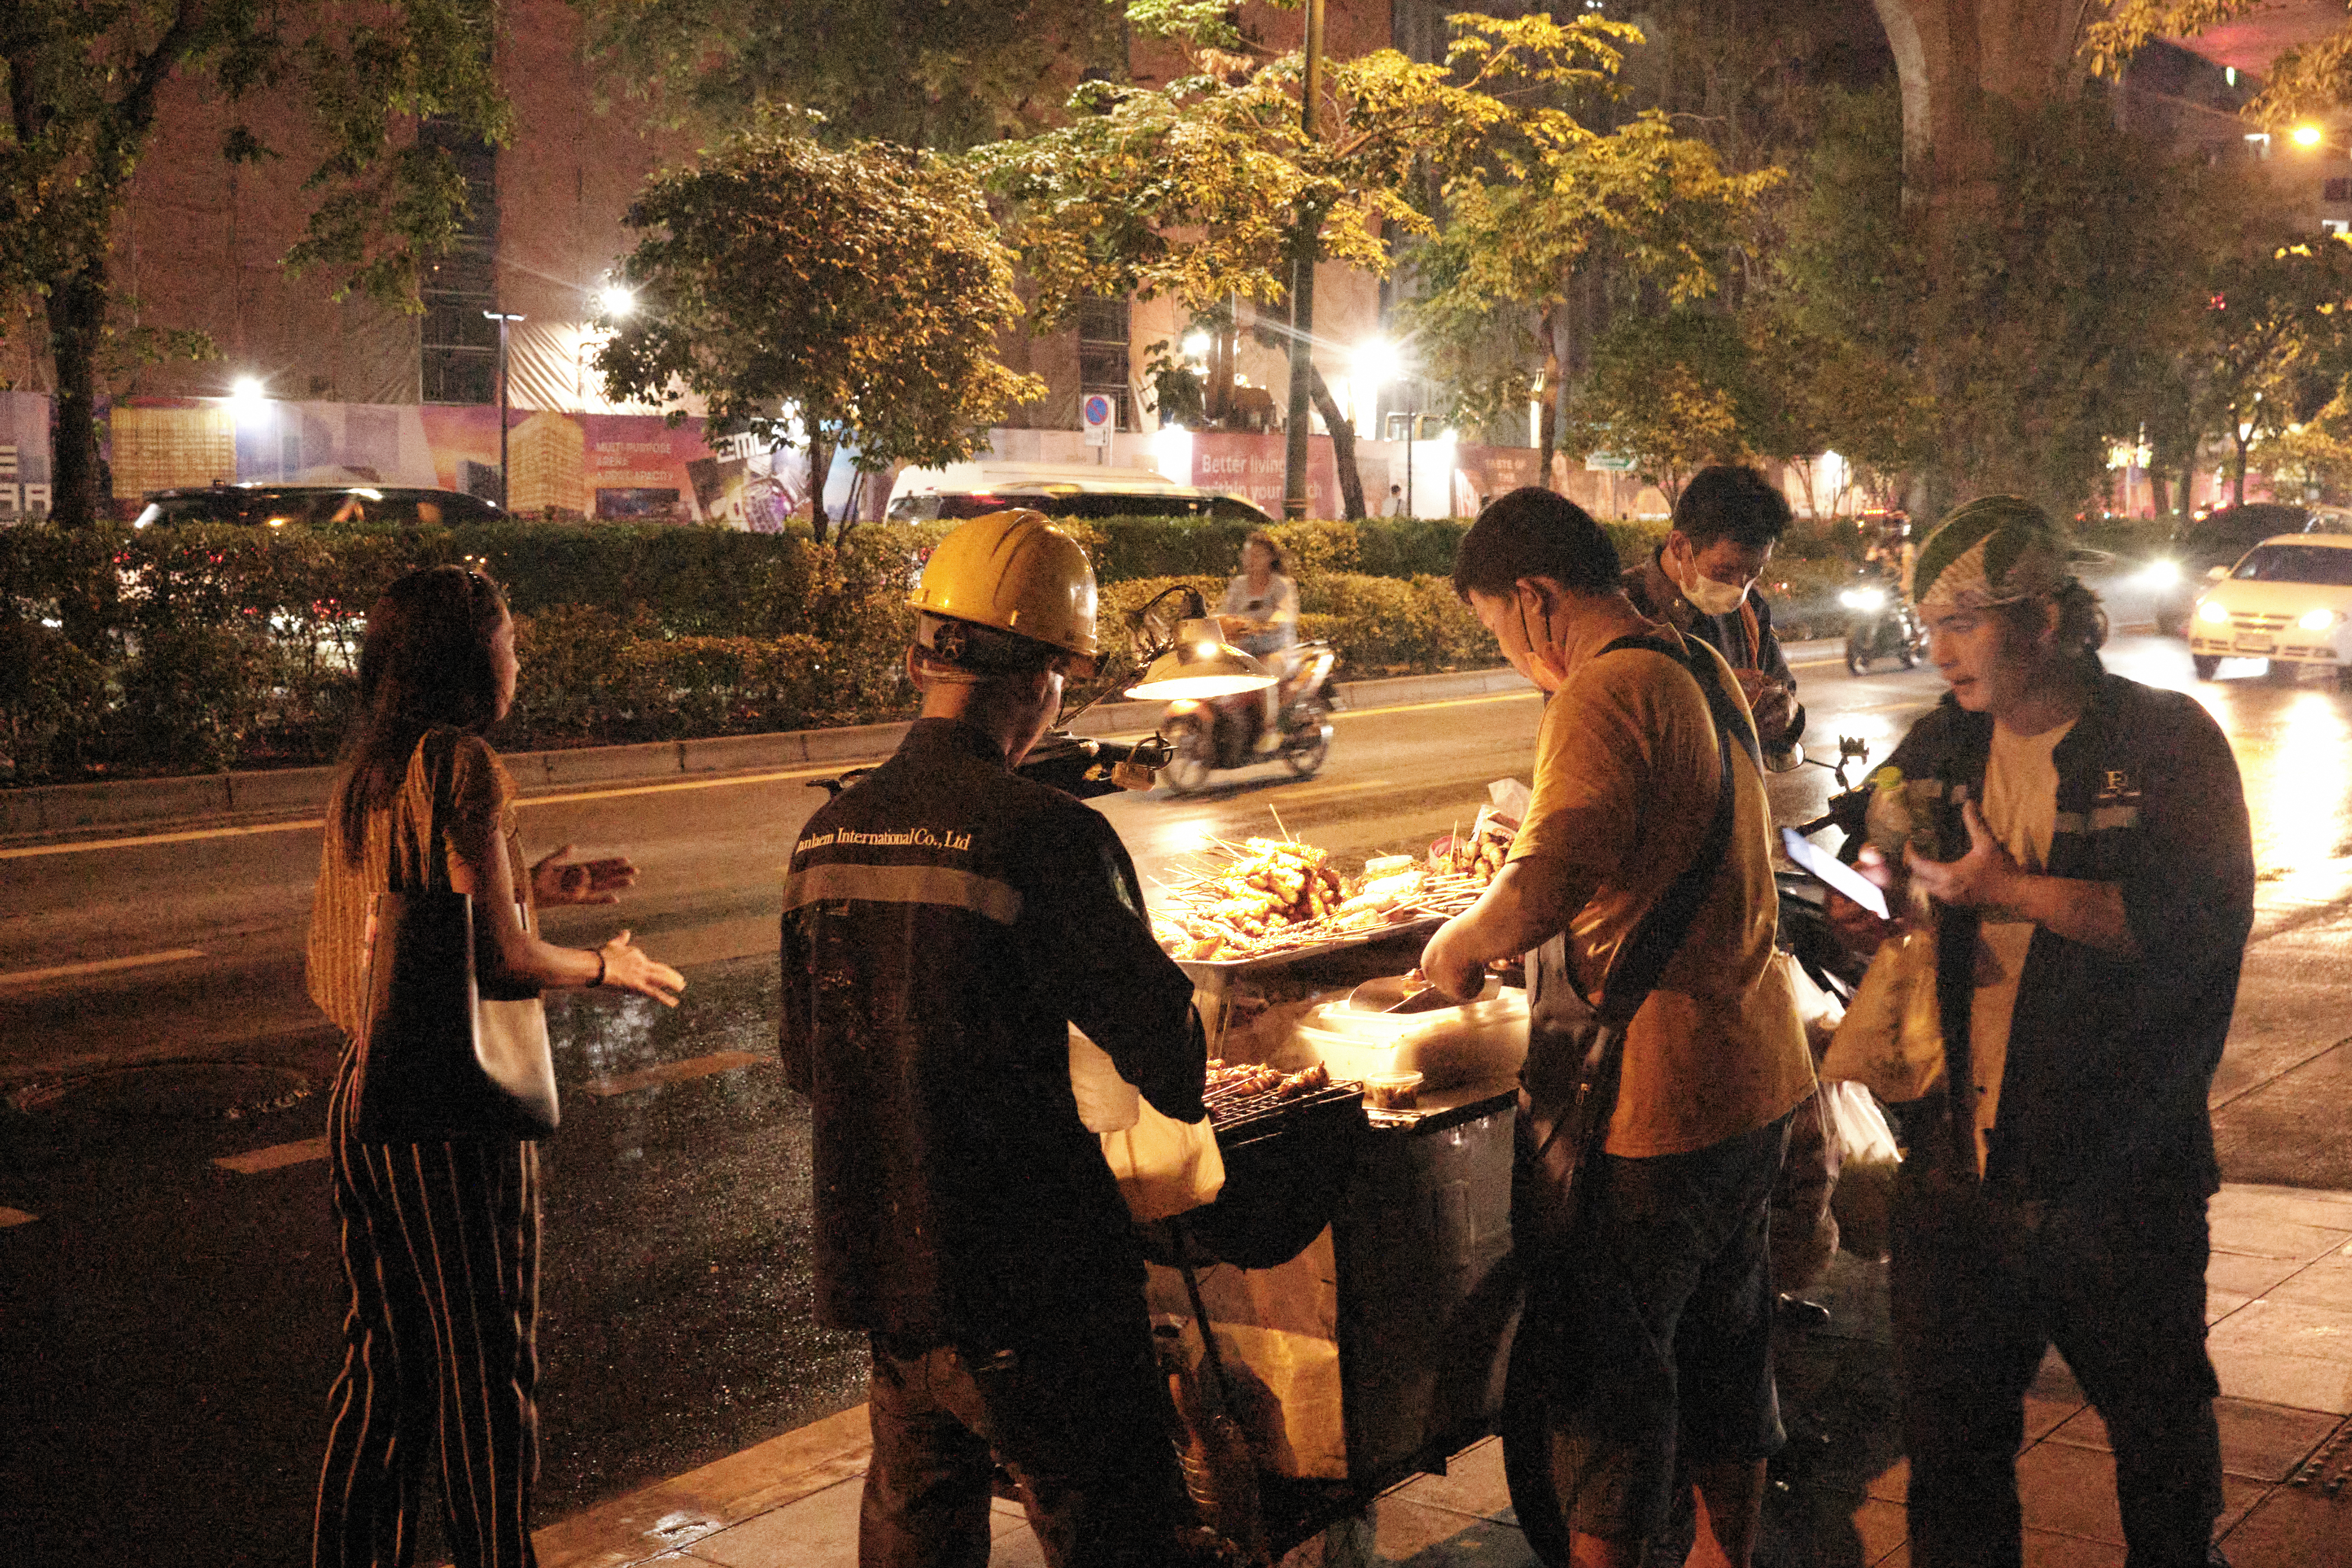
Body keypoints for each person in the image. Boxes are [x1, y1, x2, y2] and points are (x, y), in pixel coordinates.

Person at [1826, 497, 2254, 1568]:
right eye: (1927, 623)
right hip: (1953, 1172)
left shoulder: (2164, 742)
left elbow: (2190, 925)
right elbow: (1859, 850)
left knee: (2160, 1454)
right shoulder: (1939, 744)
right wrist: (1868, 901)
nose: (1939, 648)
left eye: (1964, 621)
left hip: (2116, 1171)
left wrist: (2007, 886)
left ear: (2048, 621)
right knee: (1952, 1464)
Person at [780, 510, 1208, 1568]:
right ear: (1042, 680)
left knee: (918, 1542)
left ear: (929, 660)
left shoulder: (824, 835)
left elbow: (808, 1061)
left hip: (891, 1281)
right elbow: (1170, 1055)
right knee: (1119, 1537)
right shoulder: (1046, 835)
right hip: (1036, 1285)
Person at [1420, 488, 1816, 1568]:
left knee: (1609, 1384)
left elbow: (1549, 877)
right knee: (1729, 1347)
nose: (1508, 653)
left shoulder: (1604, 691)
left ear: (1538, 597)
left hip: (1658, 1102)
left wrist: (1457, 944)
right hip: (1757, 1074)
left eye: (1500, 627)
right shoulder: (1698, 664)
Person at [305, 565, 685, 1568]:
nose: (518, 657)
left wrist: (538, 884)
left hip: (364, 1093)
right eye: (509, 641)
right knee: (484, 1369)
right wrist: (610, 964)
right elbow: (498, 958)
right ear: (467, 660)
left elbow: (421, 916)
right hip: (449, 1111)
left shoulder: (369, 772)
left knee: (383, 1367)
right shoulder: (464, 764)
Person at [1623, 464, 1806, 765]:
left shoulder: (1751, 610)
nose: (1738, 589)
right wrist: (1711, 702)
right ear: (1680, 545)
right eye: (1725, 571)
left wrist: (1782, 712)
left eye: (1753, 574)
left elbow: (1783, 693)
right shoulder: (1624, 609)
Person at [1217, 528, 1300, 752]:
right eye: (1248, 555)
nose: (1251, 560)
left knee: (1264, 673)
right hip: (1244, 649)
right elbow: (1225, 613)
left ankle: (1270, 729)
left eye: (1258, 555)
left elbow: (1285, 614)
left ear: (1270, 558)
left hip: (1278, 648)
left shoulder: (1282, 585)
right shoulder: (1238, 585)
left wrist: (1268, 623)